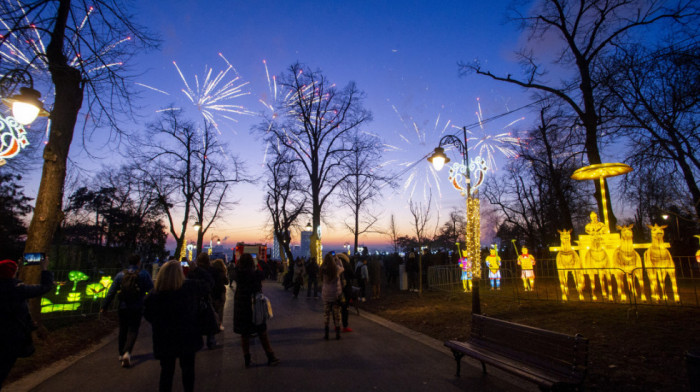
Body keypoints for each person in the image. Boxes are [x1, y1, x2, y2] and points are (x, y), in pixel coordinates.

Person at [143, 261, 202, 392]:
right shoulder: (189, 289)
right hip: (187, 337)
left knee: (166, 372)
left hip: (164, 339)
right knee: (188, 371)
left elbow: (148, 315)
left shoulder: (154, 296)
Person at [0, 257, 54, 389]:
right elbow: (45, 287)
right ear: (13, 273)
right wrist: (44, 268)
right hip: (10, 338)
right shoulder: (17, 289)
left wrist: (16, 269)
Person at [101, 254, 153, 368]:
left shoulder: (120, 275)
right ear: (139, 262)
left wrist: (104, 306)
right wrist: (145, 300)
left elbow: (111, 291)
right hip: (137, 306)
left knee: (123, 329)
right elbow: (152, 290)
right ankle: (127, 352)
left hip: (123, 306)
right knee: (133, 330)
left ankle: (121, 353)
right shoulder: (144, 274)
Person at [233, 253, 279, 367]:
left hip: (241, 306)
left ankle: (247, 359)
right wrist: (260, 260)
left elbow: (234, 269)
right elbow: (267, 271)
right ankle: (270, 356)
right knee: (262, 331)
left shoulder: (237, 274)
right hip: (255, 305)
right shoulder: (255, 274)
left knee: (244, 334)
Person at [187, 253, 218, 348]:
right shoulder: (211, 270)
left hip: (195, 299)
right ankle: (211, 340)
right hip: (208, 297)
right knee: (209, 320)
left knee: (197, 321)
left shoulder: (193, 272)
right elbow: (212, 282)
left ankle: (197, 342)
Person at [320, 252, 344, 340]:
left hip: (326, 295)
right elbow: (342, 268)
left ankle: (326, 334)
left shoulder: (322, 269)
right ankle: (338, 334)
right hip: (335, 295)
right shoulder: (336, 269)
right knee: (337, 314)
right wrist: (338, 259)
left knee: (326, 314)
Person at [336, 253, 354, 333]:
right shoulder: (347, 265)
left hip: (336, 289)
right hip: (346, 289)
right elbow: (352, 275)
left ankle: (337, 325)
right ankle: (345, 326)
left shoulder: (334, 264)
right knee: (345, 308)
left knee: (336, 308)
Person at [210, 258, 229, 330]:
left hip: (213, 292)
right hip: (221, 292)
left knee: (214, 309)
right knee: (220, 310)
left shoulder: (211, 272)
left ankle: (213, 323)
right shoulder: (222, 273)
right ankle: (219, 324)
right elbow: (226, 282)